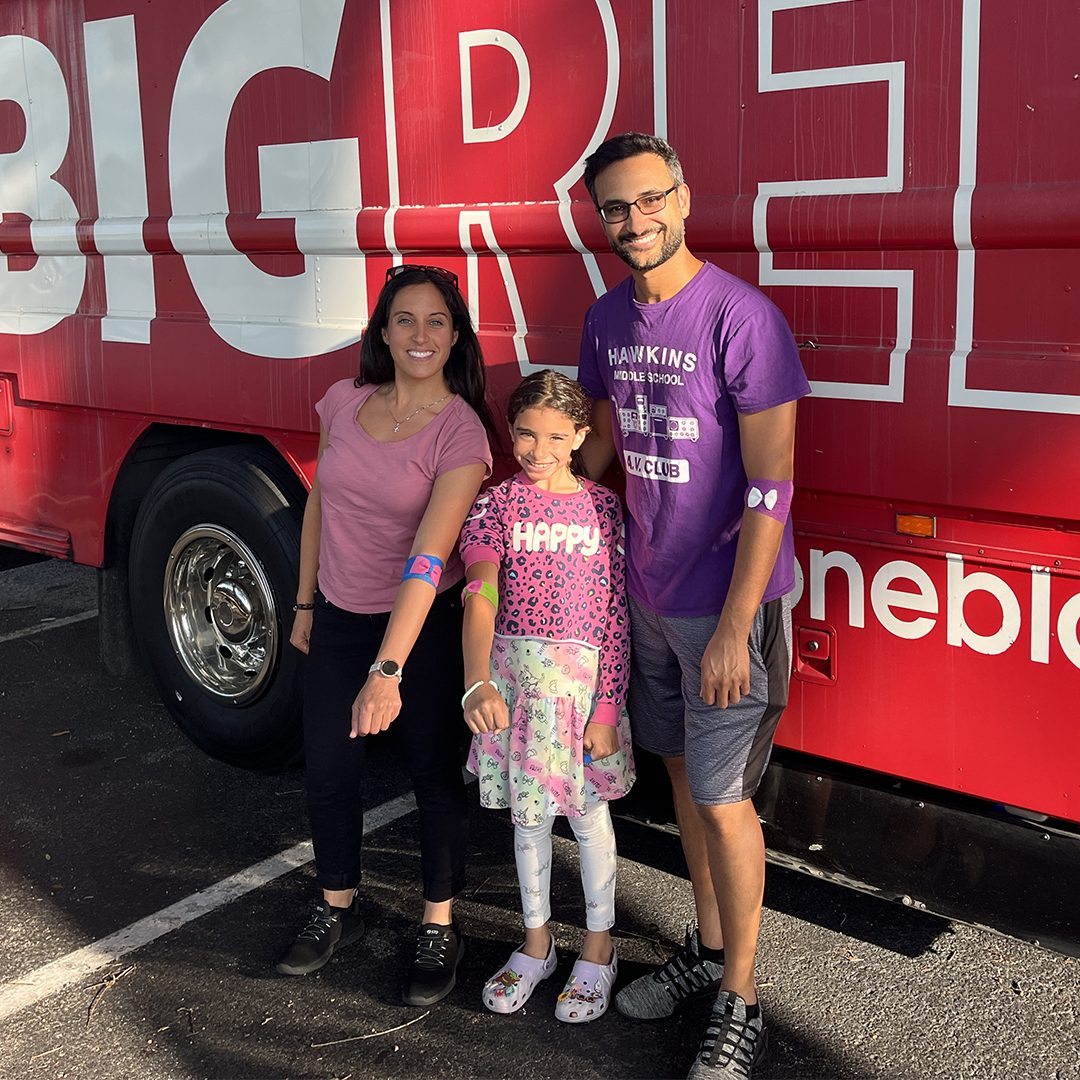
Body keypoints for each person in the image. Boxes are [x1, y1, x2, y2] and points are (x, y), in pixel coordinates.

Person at [577, 133, 811, 1078]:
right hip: (645, 595)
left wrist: (729, 628)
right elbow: (598, 455)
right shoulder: (604, 321)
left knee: (722, 802)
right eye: (616, 210)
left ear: (685, 193)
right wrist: (528, 494)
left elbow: (772, 488)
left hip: (725, 611)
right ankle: (708, 950)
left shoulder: (742, 319)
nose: (636, 223)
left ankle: (743, 997)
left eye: (649, 200)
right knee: (678, 778)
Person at [278, 264, 494, 1008]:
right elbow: (319, 504)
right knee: (329, 771)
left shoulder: (462, 431)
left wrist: (389, 668)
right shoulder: (343, 402)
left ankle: (440, 921)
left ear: (456, 335)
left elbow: (431, 560)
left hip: (421, 629)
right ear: (382, 332)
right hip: (337, 616)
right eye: (405, 319)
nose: (421, 335)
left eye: (437, 321)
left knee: (432, 774)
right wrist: (304, 604)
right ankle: (335, 898)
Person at [458, 369, 635, 1023]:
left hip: (584, 700)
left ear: (583, 435)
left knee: (588, 820)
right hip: (517, 696)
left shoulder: (604, 509)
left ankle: (598, 947)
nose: (538, 450)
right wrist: (478, 679)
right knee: (528, 822)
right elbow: (479, 591)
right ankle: (536, 944)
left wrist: (609, 707)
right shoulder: (495, 504)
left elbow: (615, 615)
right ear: (511, 432)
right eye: (526, 435)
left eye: (557, 437)